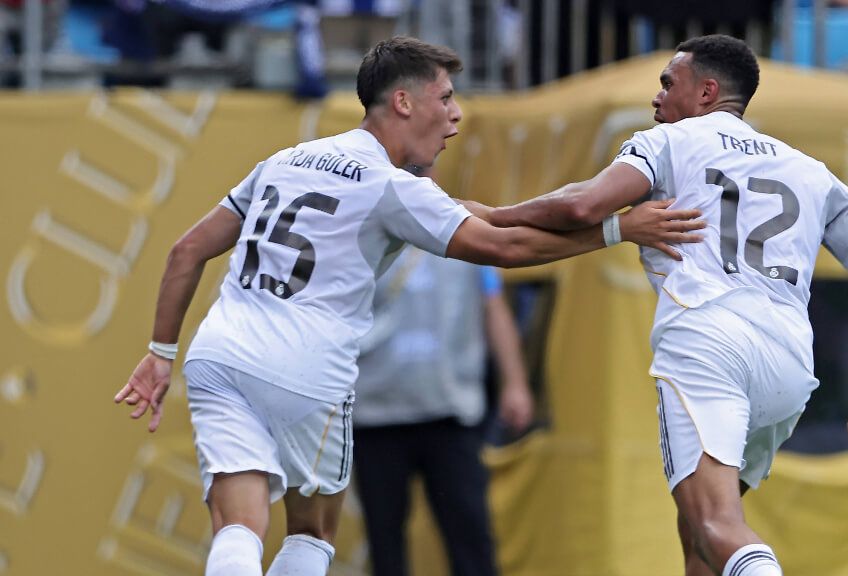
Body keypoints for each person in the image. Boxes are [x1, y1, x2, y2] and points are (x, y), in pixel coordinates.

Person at [113, 36, 705, 576]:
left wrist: (158, 354)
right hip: (307, 369)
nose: (456, 114)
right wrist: (618, 229)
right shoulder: (390, 186)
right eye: (444, 97)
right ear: (402, 101)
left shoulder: (284, 161)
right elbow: (502, 245)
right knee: (313, 532)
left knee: (238, 527)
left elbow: (186, 250)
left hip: (220, 355)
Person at [484, 34, 848, 576]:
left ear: (707, 91)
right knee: (697, 530)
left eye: (669, 83)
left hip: (707, 338)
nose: (658, 98)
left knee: (715, 522)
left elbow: (583, 205)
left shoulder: (671, 142)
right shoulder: (812, 172)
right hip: (787, 363)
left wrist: (491, 212)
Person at [353, 243, 532, 576]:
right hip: (375, 413)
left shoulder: (464, 230)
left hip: (450, 412)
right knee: (384, 542)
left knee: (470, 533)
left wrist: (515, 383)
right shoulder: (361, 229)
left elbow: (492, 304)